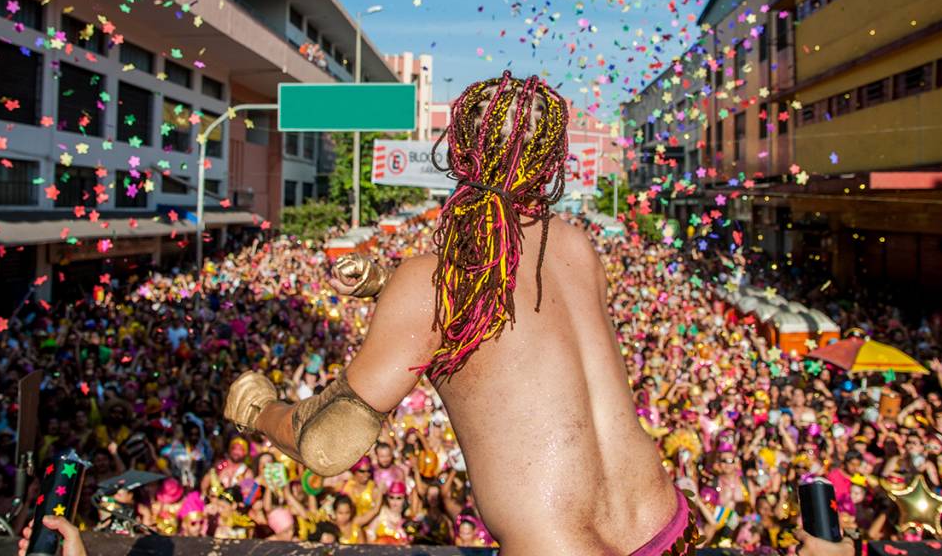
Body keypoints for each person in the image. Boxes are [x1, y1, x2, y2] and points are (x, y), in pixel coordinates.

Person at [225, 72, 691, 555]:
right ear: (553, 161)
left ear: (458, 150)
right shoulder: (577, 246)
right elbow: (522, 315)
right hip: (665, 528)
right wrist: (387, 282)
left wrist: (258, 410)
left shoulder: (430, 284)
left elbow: (327, 444)